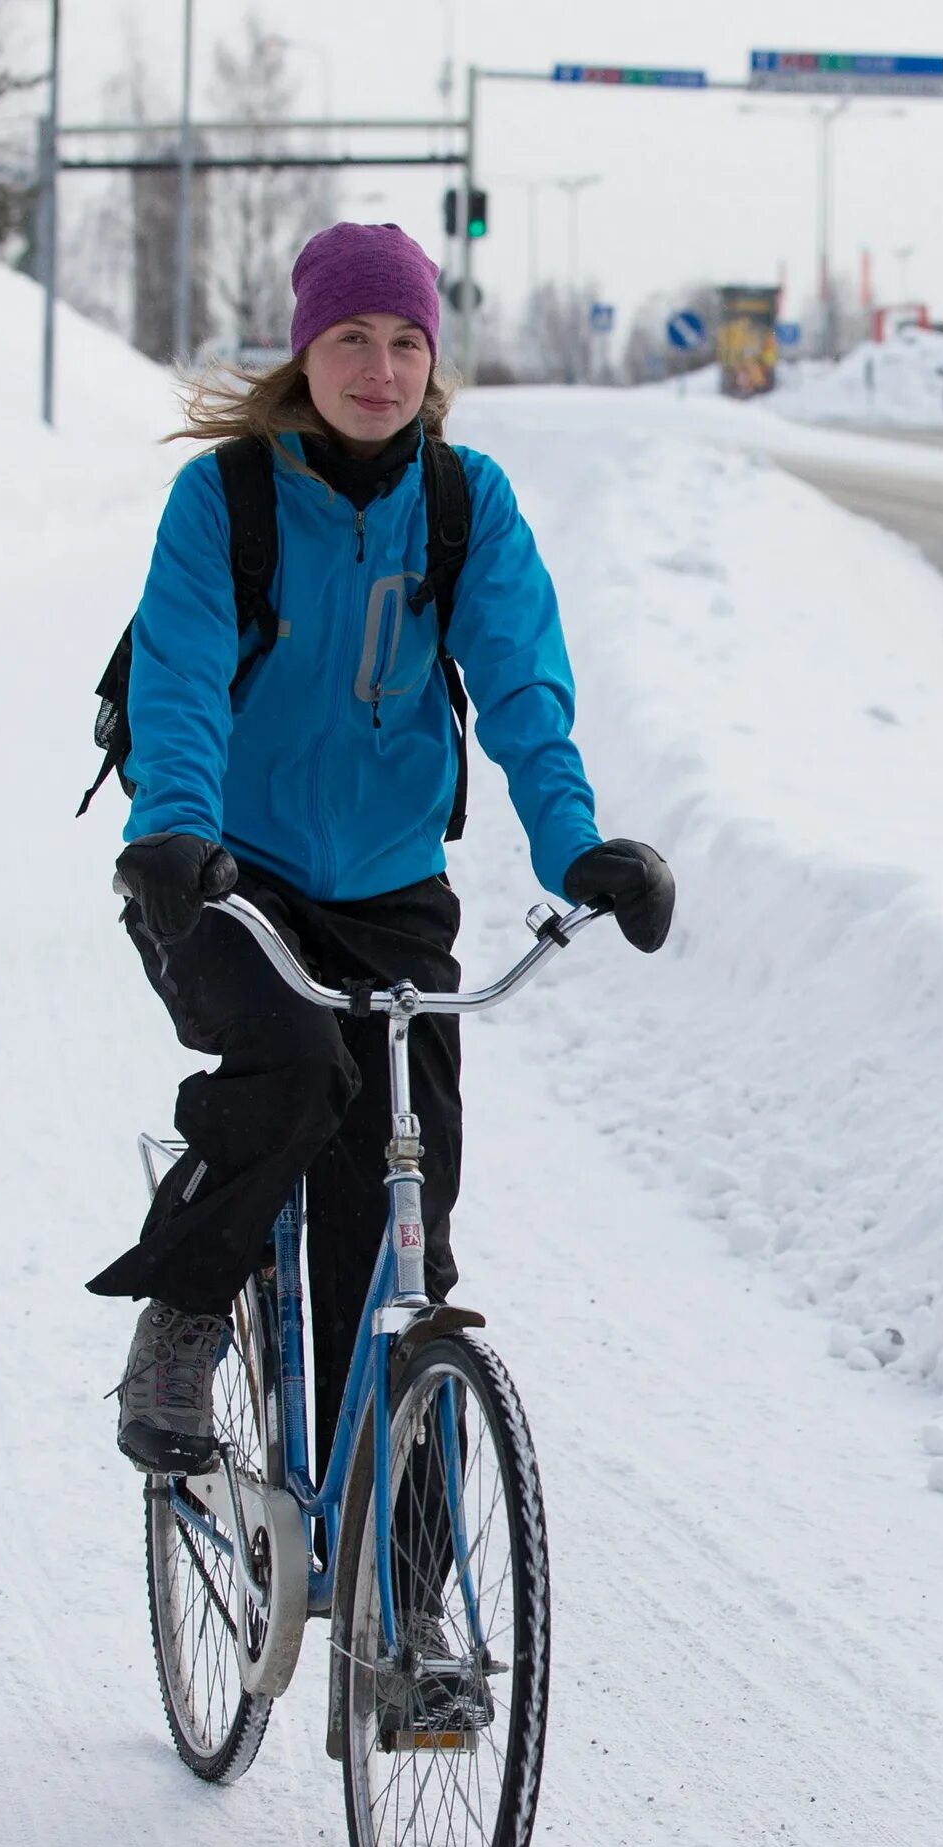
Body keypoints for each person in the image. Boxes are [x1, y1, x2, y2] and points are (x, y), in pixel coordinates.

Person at [90, 221, 674, 1475]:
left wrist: (577, 847)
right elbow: (181, 680)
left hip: (393, 886)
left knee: (402, 1234)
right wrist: (173, 831)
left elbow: (523, 688)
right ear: (305, 351)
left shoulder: (465, 502)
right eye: (352, 337)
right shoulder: (226, 498)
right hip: (223, 876)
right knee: (299, 1072)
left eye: (408, 340)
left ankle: (418, 1642)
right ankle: (189, 1305)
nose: (382, 366)